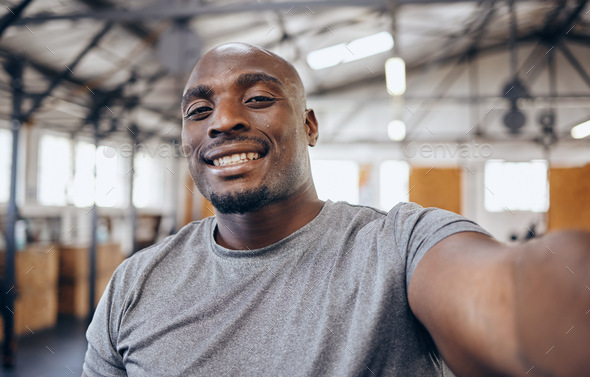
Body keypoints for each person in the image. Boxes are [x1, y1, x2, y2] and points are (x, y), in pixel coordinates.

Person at [82, 42, 590, 377]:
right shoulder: (134, 286)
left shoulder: (399, 246)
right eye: (199, 110)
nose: (224, 121)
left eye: (258, 98)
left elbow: (507, 296)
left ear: (309, 127)